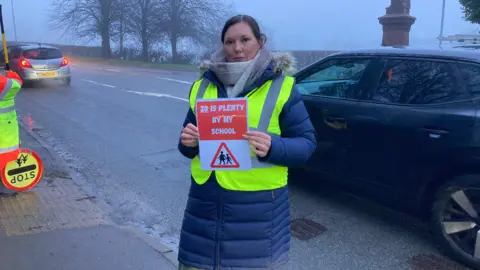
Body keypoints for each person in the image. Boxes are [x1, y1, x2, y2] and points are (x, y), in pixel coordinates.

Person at [177, 14, 317, 270]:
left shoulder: (281, 86)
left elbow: (307, 145)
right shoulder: (202, 86)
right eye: (230, 42)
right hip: (204, 210)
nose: (237, 48)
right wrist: (189, 142)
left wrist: (274, 147)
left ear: (260, 42)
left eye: (245, 39)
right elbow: (185, 145)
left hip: (258, 213)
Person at [0, 70, 23, 197]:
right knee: (4, 159)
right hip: (4, 130)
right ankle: (5, 186)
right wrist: (12, 75)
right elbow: (14, 85)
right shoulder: (2, 83)